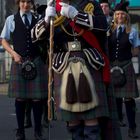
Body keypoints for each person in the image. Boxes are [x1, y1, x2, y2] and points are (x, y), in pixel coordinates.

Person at [32, 0, 122, 140]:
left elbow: (103, 26)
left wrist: (76, 15)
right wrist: (45, 22)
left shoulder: (90, 4)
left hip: (90, 62)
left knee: (91, 118)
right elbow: (34, 38)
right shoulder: (52, 7)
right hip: (63, 65)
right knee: (73, 122)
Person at [0, 0, 48, 140]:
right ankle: (20, 131)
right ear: (18, 3)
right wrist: (13, 53)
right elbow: (3, 39)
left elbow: (45, 39)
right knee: (20, 99)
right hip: (19, 62)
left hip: (36, 60)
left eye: (28, 2)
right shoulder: (11, 19)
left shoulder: (38, 19)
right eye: (22, 2)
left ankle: (38, 130)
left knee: (37, 99)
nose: (25, 5)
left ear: (32, 4)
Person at [108, 1, 139, 139]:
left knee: (128, 98)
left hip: (126, 66)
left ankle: (132, 127)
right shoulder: (110, 30)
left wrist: (127, 57)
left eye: (122, 14)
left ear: (126, 16)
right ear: (114, 16)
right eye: (117, 14)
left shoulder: (132, 31)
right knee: (115, 98)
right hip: (112, 67)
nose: (120, 16)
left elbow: (137, 50)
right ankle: (118, 121)